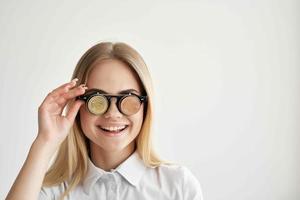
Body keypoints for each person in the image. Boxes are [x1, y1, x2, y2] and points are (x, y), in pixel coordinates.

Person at [6, 41, 203, 200]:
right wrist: (45, 142)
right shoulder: (52, 191)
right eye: (97, 100)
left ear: (145, 106)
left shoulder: (178, 186)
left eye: (128, 99)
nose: (112, 114)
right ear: (78, 104)